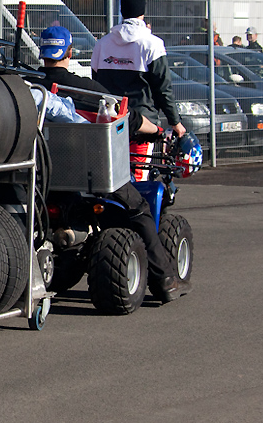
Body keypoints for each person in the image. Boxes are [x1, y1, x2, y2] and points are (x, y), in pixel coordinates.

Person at [39, 24, 190, 304]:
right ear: (69, 52)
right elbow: (128, 117)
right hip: (88, 175)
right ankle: (166, 281)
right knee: (139, 210)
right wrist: (157, 131)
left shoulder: (27, 84)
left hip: (39, 178)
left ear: (42, 52)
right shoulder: (86, 90)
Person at [91, 0, 186, 138]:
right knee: (141, 162)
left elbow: (95, 84)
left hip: (110, 123)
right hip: (144, 124)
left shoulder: (102, 44)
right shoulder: (153, 44)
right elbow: (162, 89)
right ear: (143, 11)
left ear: (122, 11)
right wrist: (175, 122)